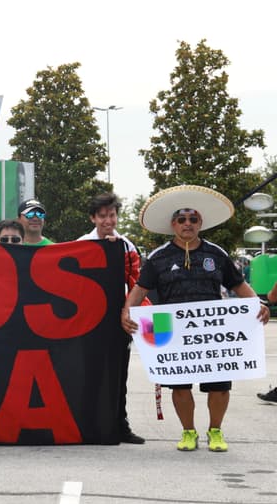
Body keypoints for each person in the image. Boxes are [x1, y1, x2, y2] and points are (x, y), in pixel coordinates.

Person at [121, 185, 270, 452]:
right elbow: (139, 289)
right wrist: (126, 311)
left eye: (192, 219)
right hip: (173, 332)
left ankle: (215, 431)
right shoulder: (158, 257)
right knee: (179, 386)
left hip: (213, 333)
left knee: (220, 386)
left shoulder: (217, 254)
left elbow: (240, 286)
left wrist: (257, 304)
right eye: (182, 219)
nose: (187, 224)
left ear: (200, 222)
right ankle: (188, 432)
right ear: (173, 224)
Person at [77, 191, 144, 444]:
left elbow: (137, 284)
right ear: (93, 218)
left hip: (118, 321)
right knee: (90, 375)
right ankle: (87, 425)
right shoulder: (82, 243)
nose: (108, 221)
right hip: (89, 323)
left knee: (119, 377)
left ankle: (120, 425)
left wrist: (133, 315)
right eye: (102, 216)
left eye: (112, 215)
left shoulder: (126, 245)